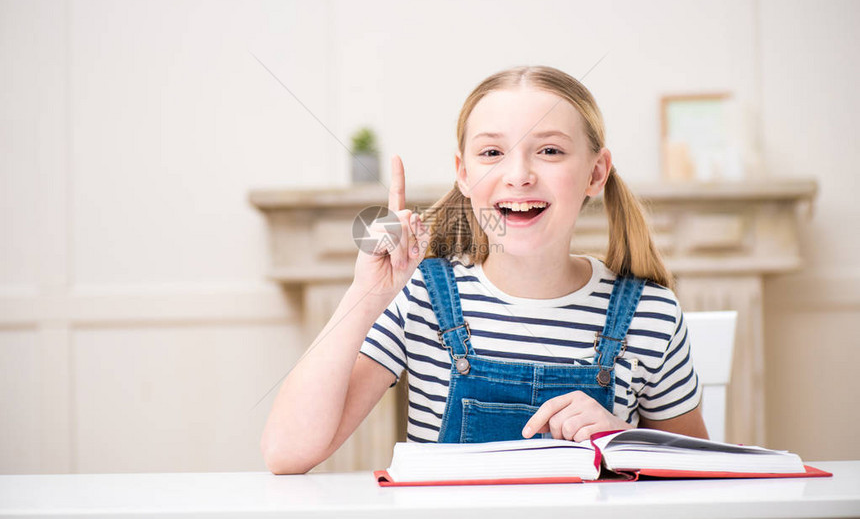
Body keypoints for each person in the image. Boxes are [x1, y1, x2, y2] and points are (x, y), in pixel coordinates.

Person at [261, 65, 708, 474]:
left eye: (550, 150)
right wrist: (365, 297)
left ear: (596, 172)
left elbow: (696, 475)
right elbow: (286, 453)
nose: (518, 175)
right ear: (463, 172)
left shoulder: (652, 312)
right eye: (492, 152)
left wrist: (619, 440)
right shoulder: (420, 297)